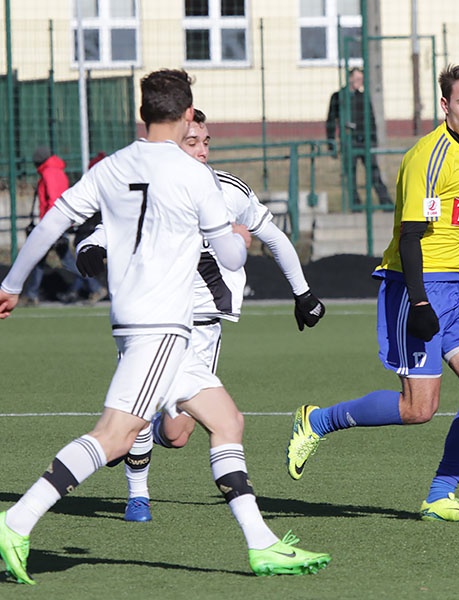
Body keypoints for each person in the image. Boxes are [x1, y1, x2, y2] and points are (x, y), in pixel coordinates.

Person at [0, 68, 330, 585]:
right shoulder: (194, 176)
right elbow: (230, 256)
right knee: (113, 436)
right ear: (182, 115)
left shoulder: (112, 167)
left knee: (227, 422)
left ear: (143, 112)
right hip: (161, 326)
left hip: (143, 324)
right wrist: (239, 238)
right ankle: (16, 521)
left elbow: (52, 223)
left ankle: (262, 544)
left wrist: (14, 284)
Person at [287, 64, 459, 521]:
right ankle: (317, 420)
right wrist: (419, 303)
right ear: (445, 105)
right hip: (416, 286)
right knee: (419, 409)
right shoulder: (427, 157)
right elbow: (412, 236)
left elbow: (457, 225)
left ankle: (440, 495)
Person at [77, 108, 326, 523]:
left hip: (204, 329)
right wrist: (92, 247)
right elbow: (113, 228)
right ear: (171, 143)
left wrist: (302, 293)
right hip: (152, 319)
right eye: (192, 142)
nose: (203, 151)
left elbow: (274, 237)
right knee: (142, 412)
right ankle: (137, 495)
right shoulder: (150, 187)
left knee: (177, 434)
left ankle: (133, 438)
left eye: (206, 141)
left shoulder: (227, 191)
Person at [21, 147, 104, 306]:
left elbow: (53, 200)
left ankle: (95, 287)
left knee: (68, 262)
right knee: (40, 259)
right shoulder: (56, 170)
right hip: (56, 224)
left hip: (53, 226)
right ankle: (31, 294)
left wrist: (52, 226)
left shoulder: (48, 173)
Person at [326, 66, 393, 206]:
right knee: (350, 175)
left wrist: (373, 140)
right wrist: (331, 142)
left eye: (361, 79)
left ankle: (386, 203)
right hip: (348, 141)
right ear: (350, 78)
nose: (359, 82)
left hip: (365, 141)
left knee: (374, 172)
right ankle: (355, 204)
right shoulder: (338, 97)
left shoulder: (363, 97)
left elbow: (371, 119)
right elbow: (330, 121)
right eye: (356, 78)